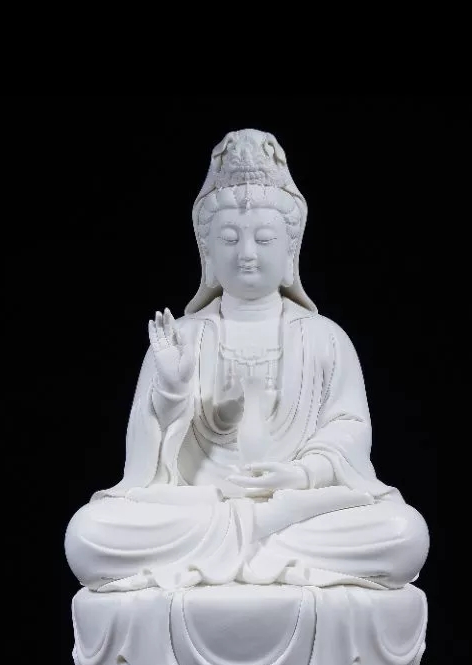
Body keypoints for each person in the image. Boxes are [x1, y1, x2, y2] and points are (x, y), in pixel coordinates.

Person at [64, 129, 429, 593]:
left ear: (290, 251)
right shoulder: (181, 337)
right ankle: (253, 541)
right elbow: (145, 470)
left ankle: (251, 541)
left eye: (265, 237)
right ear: (208, 253)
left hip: (292, 507)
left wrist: (301, 475)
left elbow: (348, 430)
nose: (248, 253)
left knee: (403, 532)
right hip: (201, 508)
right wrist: (171, 389)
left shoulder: (325, 337)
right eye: (230, 238)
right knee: (88, 534)